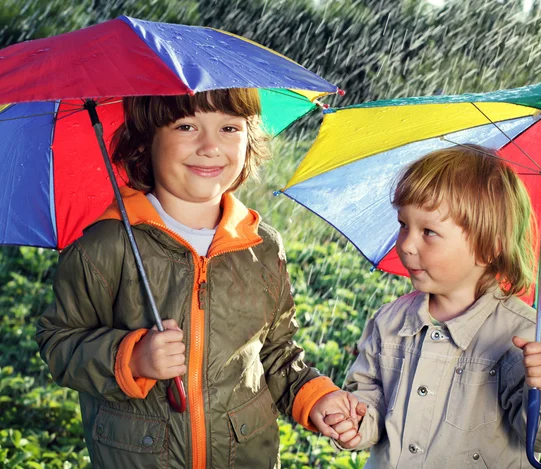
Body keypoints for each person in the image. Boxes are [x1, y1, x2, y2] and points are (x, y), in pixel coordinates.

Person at [36, 88, 358, 468]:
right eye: (186, 126)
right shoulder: (108, 246)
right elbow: (60, 342)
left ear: (250, 140)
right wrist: (131, 358)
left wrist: (314, 396)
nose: (210, 146)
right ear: (145, 142)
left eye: (229, 128)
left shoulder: (261, 247)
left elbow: (274, 352)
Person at [325, 145, 541, 468]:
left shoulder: (526, 338)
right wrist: (357, 419)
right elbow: (370, 394)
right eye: (404, 224)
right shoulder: (390, 322)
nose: (406, 244)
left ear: (488, 246)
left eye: (428, 232)